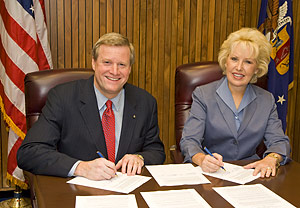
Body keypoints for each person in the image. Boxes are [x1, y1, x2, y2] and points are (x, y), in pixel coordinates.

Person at [17, 32, 165, 180]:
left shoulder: (145, 102)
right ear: (94, 63)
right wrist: (81, 167)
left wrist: (139, 157)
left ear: (130, 69)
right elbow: (29, 152)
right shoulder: (63, 98)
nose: (114, 71)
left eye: (122, 64)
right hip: (78, 194)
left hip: (128, 195)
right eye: (107, 62)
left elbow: (156, 150)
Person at [180, 28, 291, 178]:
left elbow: (279, 141)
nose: (239, 67)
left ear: (257, 69)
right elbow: (189, 140)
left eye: (248, 62)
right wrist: (201, 159)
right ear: (225, 61)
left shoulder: (266, 100)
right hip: (212, 175)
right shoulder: (203, 94)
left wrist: (271, 159)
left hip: (251, 175)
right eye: (234, 59)